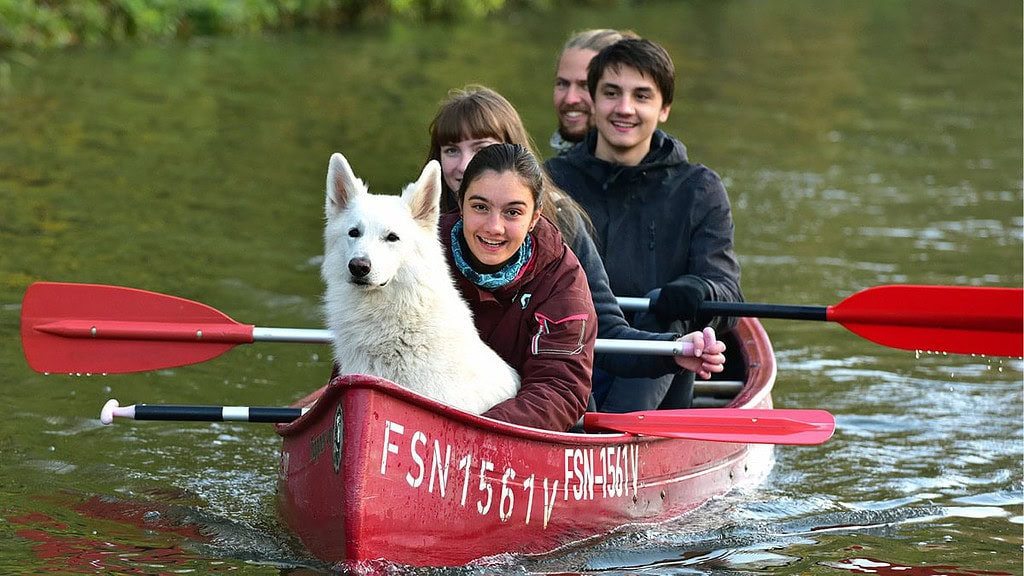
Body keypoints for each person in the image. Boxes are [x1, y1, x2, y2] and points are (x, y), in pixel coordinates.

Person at [426, 85, 727, 413]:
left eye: (481, 148)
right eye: (451, 150)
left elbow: (603, 331)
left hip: (533, 408)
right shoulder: (412, 233)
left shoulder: (560, 244)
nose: (464, 164)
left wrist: (672, 349)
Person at [545, 38, 744, 413]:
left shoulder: (700, 188)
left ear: (664, 108)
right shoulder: (552, 181)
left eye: (641, 96)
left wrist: (698, 289)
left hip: (659, 376)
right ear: (593, 99)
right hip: (571, 359)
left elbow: (729, 296)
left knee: (669, 314)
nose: (624, 109)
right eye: (611, 93)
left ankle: (609, 432)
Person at [551, 29, 638, 155]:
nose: (570, 99)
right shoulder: (550, 169)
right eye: (562, 84)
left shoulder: (661, 171)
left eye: (586, 85)